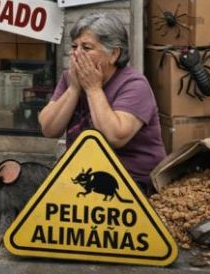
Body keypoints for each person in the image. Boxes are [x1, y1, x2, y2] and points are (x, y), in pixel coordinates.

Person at [38, 12, 165, 194]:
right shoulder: (70, 79)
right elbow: (48, 128)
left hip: (130, 181)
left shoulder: (134, 84)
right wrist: (74, 89)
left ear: (113, 54)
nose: (76, 54)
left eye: (87, 48)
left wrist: (93, 89)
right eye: (74, 47)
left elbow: (115, 136)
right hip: (83, 176)